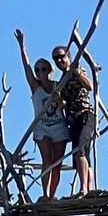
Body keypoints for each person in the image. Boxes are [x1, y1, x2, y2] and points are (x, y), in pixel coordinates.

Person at [14, 29, 69, 198]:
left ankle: (52, 196)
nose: (40, 72)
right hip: (42, 128)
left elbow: (66, 105)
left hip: (59, 127)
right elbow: (26, 68)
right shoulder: (35, 87)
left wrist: (59, 99)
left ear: (50, 70)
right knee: (47, 158)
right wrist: (22, 46)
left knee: (57, 163)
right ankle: (45, 194)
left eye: (43, 69)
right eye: (38, 70)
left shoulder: (58, 85)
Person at [52, 43, 96, 193]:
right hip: (73, 118)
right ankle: (88, 188)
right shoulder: (62, 80)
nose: (58, 61)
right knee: (81, 155)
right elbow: (64, 104)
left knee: (80, 151)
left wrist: (76, 72)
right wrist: (58, 99)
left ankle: (84, 188)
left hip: (84, 114)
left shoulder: (77, 69)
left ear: (68, 56)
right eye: (55, 59)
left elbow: (89, 86)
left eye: (61, 57)